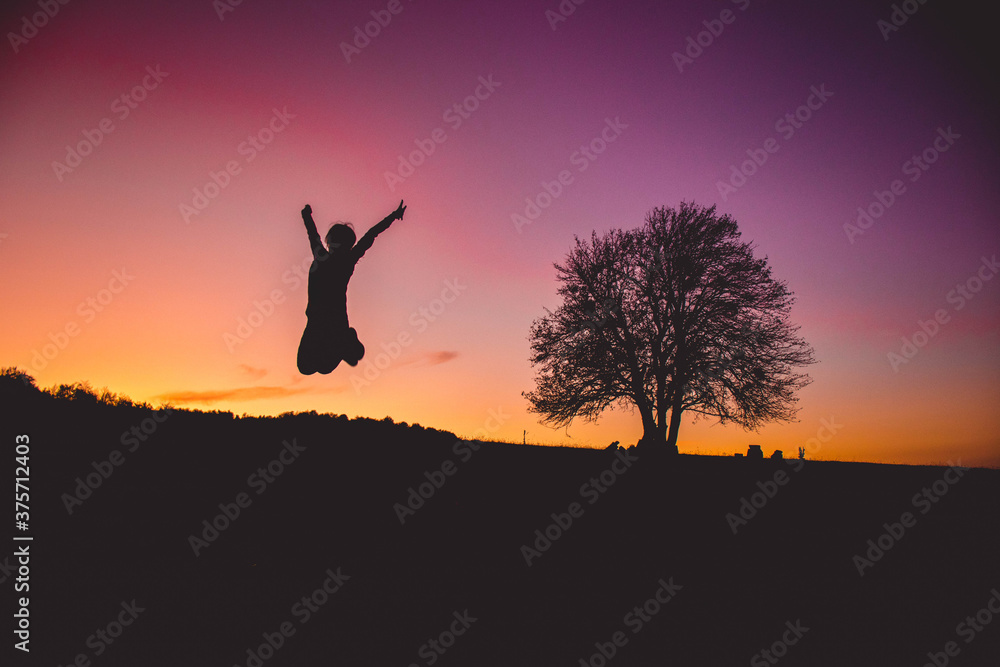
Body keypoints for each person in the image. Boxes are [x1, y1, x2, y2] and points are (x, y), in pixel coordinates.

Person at [296, 200, 406, 374]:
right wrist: (306, 215)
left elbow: (371, 235)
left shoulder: (347, 261)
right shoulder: (322, 255)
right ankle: (347, 343)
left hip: (335, 322)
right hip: (315, 320)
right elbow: (312, 233)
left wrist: (392, 216)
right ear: (329, 242)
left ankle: (346, 341)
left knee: (324, 368)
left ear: (346, 246)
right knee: (305, 367)